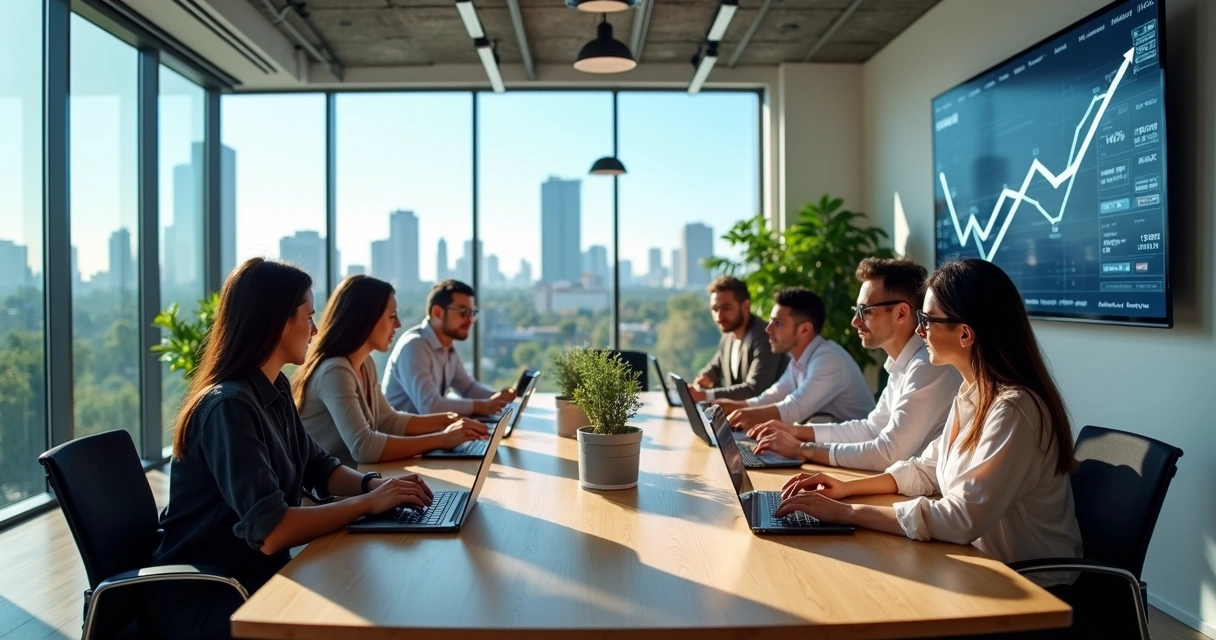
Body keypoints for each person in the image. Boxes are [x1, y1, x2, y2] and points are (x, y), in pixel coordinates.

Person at [147, 258, 433, 640]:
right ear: (280, 321)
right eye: (309, 317)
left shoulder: (273, 387)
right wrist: (367, 504)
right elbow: (273, 531)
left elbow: (318, 465)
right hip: (212, 595)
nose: (315, 330)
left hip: (254, 574)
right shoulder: (228, 406)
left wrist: (373, 486)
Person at [776, 258, 1082, 592]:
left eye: (927, 320)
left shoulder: (1014, 409)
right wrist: (845, 490)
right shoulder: (971, 394)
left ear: (965, 333)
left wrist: (849, 513)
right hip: (978, 566)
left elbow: (959, 519)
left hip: (1032, 588)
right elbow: (926, 469)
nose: (920, 331)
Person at [749, 258, 961, 471]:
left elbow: (887, 453)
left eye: (865, 311)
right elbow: (871, 429)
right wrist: (795, 432)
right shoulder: (903, 365)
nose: (855, 321)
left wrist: (803, 449)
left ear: (901, 313)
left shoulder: (927, 366)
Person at [294, 275, 489, 468]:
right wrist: (442, 439)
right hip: (328, 497)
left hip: (361, 482)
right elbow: (364, 447)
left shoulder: (365, 364)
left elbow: (388, 420)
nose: (398, 324)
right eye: (392, 316)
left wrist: (448, 420)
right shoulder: (335, 371)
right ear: (367, 319)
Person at [712, 287, 874, 430]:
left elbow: (793, 409)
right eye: (770, 321)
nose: (768, 329)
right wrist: (730, 406)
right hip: (829, 450)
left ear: (805, 329)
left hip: (853, 457)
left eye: (778, 323)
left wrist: (742, 414)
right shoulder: (798, 361)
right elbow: (771, 398)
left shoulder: (829, 360)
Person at [382, 279, 515, 415]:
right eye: (463, 312)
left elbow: (468, 388)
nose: (470, 320)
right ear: (437, 312)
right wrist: (482, 406)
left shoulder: (447, 344)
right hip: (404, 435)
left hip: (430, 433)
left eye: (472, 313)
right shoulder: (414, 346)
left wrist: (500, 398)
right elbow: (431, 407)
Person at [687, 275, 788, 403]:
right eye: (715, 309)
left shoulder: (765, 337)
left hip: (768, 420)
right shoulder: (728, 334)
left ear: (745, 306)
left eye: (726, 308)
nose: (719, 316)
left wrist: (706, 395)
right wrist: (705, 376)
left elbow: (754, 390)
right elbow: (716, 365)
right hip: (738, 418)